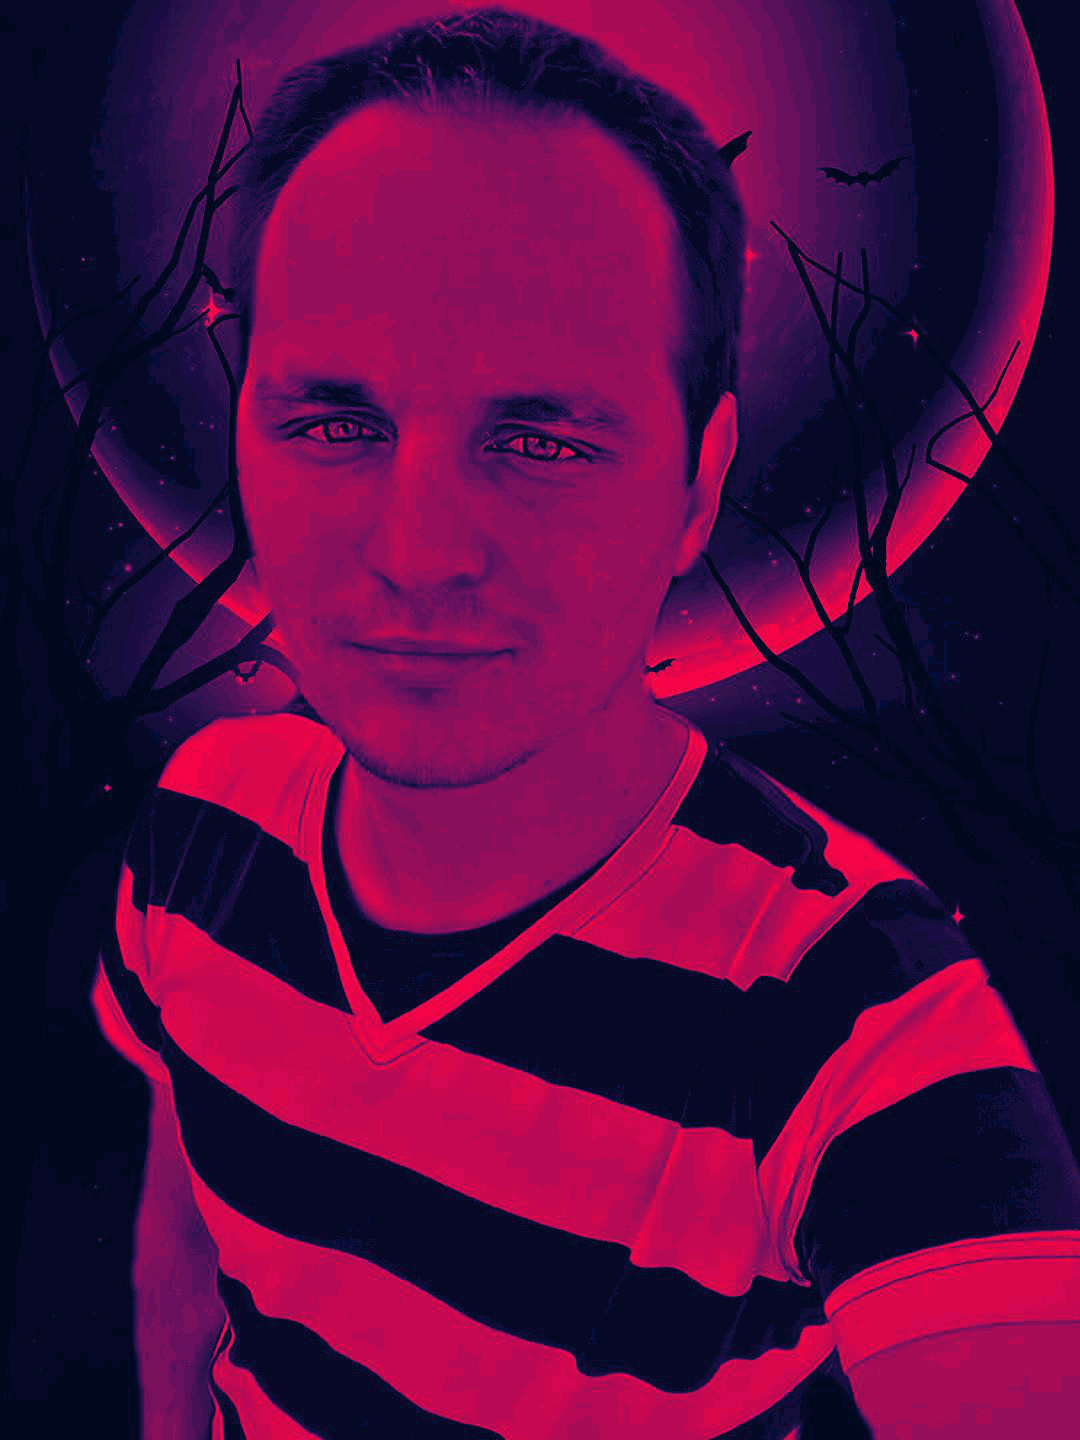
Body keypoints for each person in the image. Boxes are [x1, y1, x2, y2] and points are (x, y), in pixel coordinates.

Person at [92, 9, 1080, 1439]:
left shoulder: (849, 1009)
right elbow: (187, 1248)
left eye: (542, 441)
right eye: (334, 425)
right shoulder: (205, 818)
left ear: (696, 486)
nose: (418, 551)